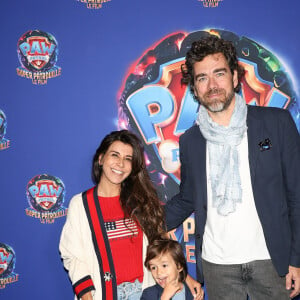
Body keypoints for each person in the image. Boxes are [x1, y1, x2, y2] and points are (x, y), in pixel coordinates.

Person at [165, 35, 300, 299]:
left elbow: (297, 194)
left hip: (273, 262)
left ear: (236, 78)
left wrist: (297, 257)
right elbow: (189, 197)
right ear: (194, 87)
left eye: (219, 73)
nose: (212, 85)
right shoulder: (191, 141)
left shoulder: (277, 123)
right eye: (202, 78)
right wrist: (143, 220)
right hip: (218, 266)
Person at [59, 130, 165, 300]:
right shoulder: (81, 204)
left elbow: (162, 248)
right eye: (115, 155)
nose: (121, 163)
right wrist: (87, 295)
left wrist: (184, 278)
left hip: (144, 292)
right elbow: (71, 254)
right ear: (101, 159)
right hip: (102, 293)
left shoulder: (140, 202)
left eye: (128, 158)